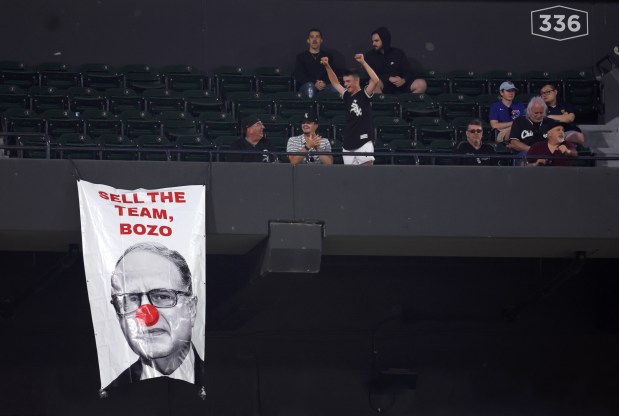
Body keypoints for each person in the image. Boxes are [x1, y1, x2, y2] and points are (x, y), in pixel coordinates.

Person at [107, 242, 204, 388]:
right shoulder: (110, 395)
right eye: (131, 299)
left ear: (191, 308)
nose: (146, 316)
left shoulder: (233, 384)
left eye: (163, 296)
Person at [321, 54, 379, 165]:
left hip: (364, 141)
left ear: (356, 81)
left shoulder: (364, 94)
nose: (345, 84)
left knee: (366, 176)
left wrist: (363, 62)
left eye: (348, 81)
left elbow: (375, 80)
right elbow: (335, 83)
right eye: (345, 81)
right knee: (349, 177)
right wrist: (327, 66)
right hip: (348, 143)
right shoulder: (347, 95)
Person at [364, 26, 427, 94]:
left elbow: (408, 71)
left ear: (384, 40)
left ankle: (406, 103)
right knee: (373, 82)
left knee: (421, 83)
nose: (373, 44)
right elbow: (370, 74)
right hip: (383, 85)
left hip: (401, 85)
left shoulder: (398, 53)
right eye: (373, 41)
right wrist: (388, 78)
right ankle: (383, 104)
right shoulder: (369, 55)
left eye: (376, 41)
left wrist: (403, 80)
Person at [508, 96, 553, 164]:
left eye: (541, 113)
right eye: (536, 113)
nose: (539, 115)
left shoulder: (550, 122)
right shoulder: (519, 121)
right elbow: (514, 142)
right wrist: (533, 150)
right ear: (529, 111)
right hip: (525, 153)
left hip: (546, 153)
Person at [294, 29, 337, 99]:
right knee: (310, 87)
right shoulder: (301, 57)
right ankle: (310, 109)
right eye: (312, 37)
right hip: (307, 85)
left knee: (335, 89)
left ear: (321, 40)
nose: (314, 39)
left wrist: (324, 83)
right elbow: (299, 75)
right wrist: (314, 83)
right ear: (308, 40)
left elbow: (333, 73)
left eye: (317, 37)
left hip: (325, 86)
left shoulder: (328, 56)